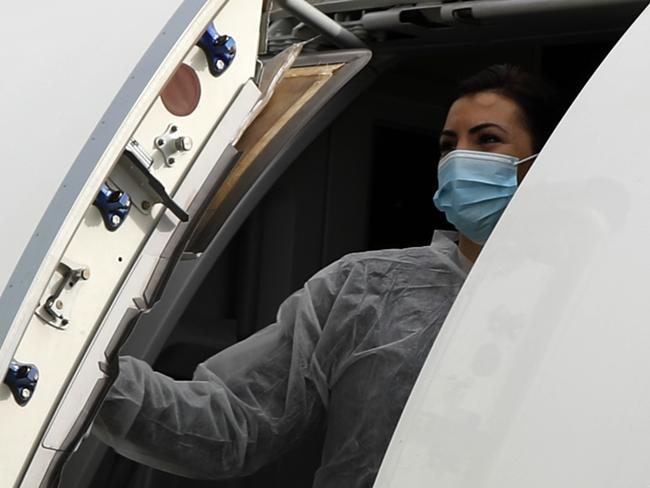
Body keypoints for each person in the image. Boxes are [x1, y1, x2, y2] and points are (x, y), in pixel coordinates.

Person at [92, 64, 562, 487]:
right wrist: (97, 380)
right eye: (447, 145)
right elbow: (233, 425)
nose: (459, 160)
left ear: (543, 162)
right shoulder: (364, 289)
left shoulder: (591, 300)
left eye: (487, 140)